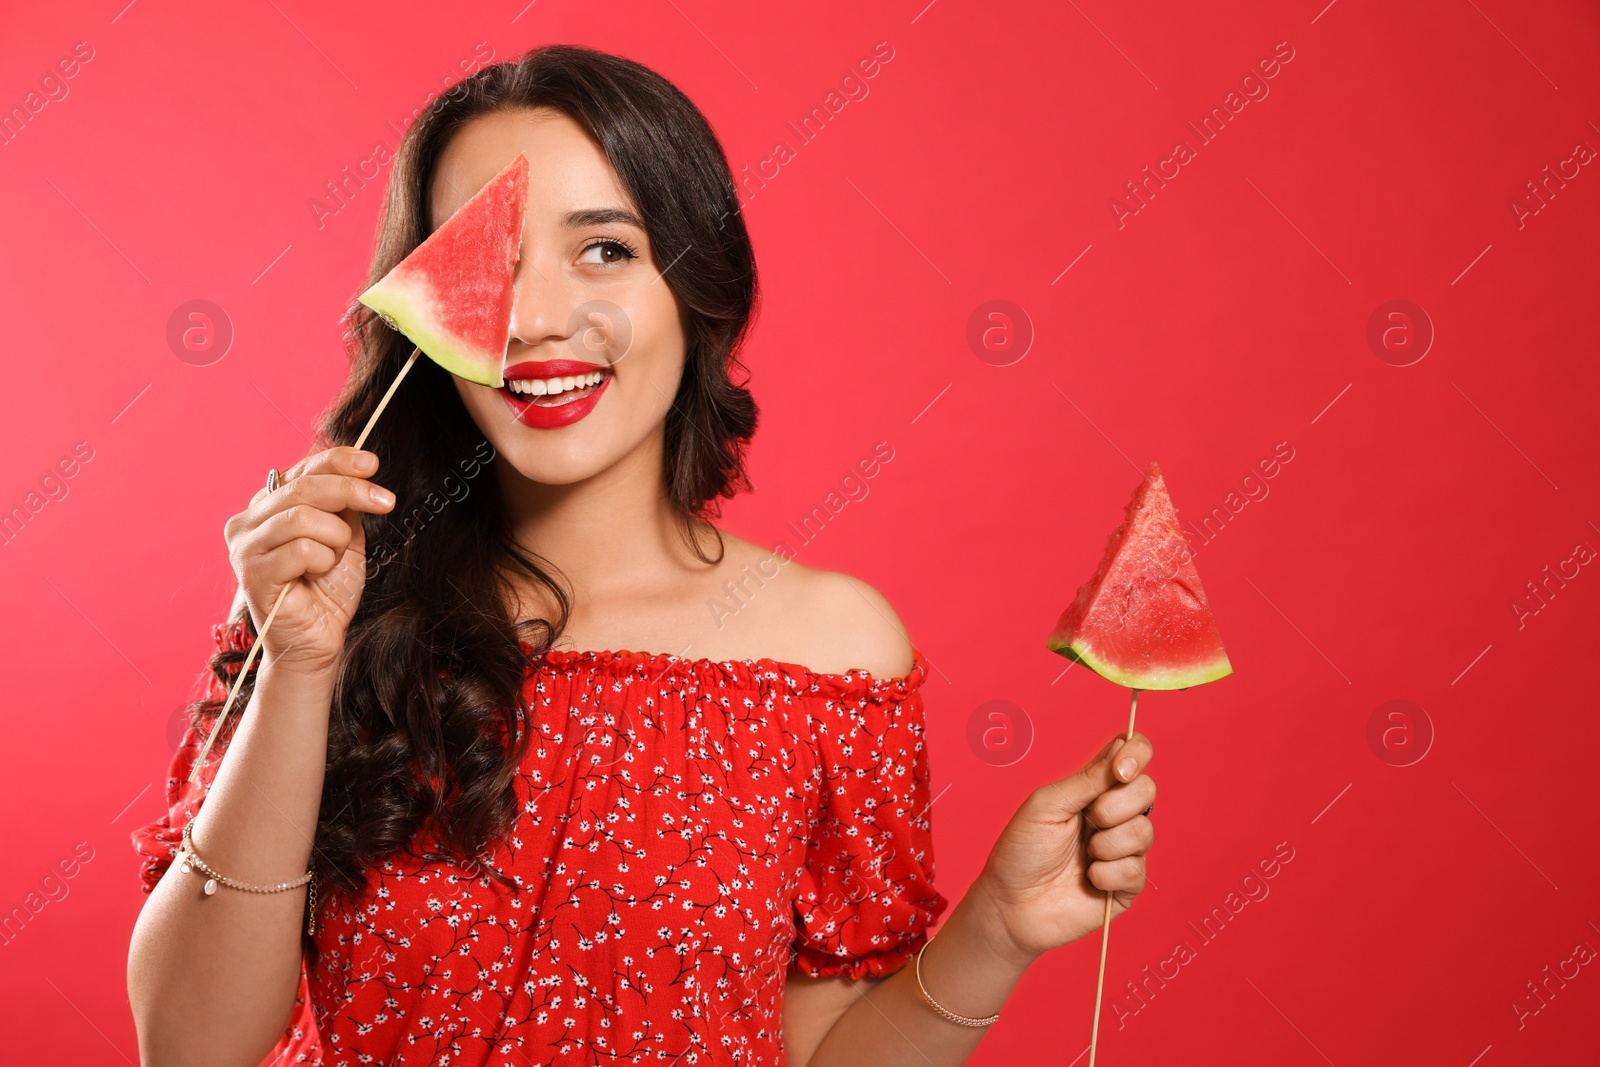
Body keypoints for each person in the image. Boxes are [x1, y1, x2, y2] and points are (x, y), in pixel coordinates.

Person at [126, 43, 1156, 1067]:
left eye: (605, 250)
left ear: (696, 286)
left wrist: (997, 928)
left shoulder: (832, 653)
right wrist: (300, 663)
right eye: (489, 264)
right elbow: (188, 1045)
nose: (533, 320)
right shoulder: (322, 600)